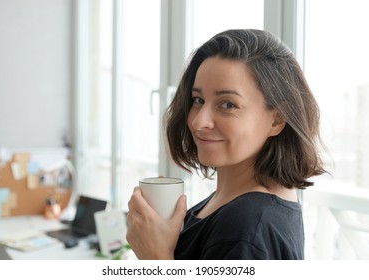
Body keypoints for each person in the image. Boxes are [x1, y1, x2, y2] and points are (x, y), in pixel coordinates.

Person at [126, 29, 326, 260]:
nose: (199, 121)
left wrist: (156, 258)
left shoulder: (246, 227)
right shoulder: (232, 202)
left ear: (277, 119)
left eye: (228, 105)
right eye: (198, 100)